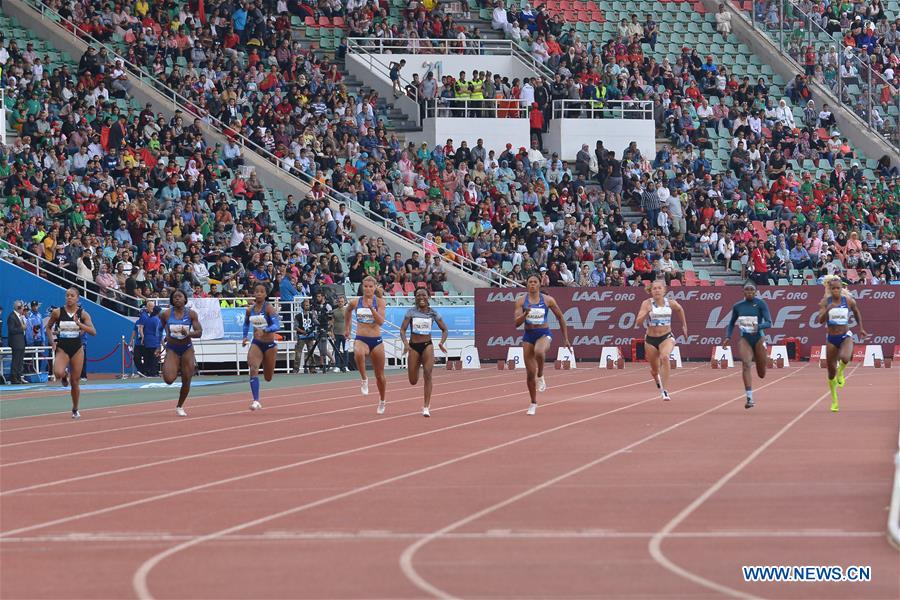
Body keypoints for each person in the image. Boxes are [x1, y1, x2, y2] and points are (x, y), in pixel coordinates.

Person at [513, 275, 572, 415]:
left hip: (544, 334)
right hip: (528, 336)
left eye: (535, 282)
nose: (532, 284)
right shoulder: (521, 301)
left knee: (539, 352)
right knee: (529, 375)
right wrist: (525, 314)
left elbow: (561, 318)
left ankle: (541, 374)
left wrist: (566, 339)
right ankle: (533, 402)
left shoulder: (548, 300)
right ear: (527, 285)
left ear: (540, 284)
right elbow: (516, 323)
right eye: (530, 282)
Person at [817, 275, 868, 412]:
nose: (835, 291)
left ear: (841, 289)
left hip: (845, 335)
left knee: (846, 357)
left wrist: (861, 328)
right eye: (833, 288)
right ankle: (834, 400)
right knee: (830, 372)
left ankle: (841, 372)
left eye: (838, 288)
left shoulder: (848, 301)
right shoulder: (825, 302)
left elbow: (857, 312)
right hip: (832, 338)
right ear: (829, 289)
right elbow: (820, 320)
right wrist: (828, 310)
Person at [46, 288, 96, 418]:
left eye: (72, 295)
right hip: (62, 347)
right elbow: (48, 327)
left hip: (77, 349)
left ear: (77, 298)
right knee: (57, 372)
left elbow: (93, 331)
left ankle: (75, 408)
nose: (69, 298)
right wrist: (52, 342)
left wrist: (79, 323)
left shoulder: (83, 314)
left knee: (74, 382)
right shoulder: (57, 312)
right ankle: (64, 375)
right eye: (67, 295)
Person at [636, 280, 688, 401]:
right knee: (655, 370)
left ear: (664, 290)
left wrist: (684, 326)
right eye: (654, 288)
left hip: (666, 337)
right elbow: (638, 322)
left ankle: (665, 390)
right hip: (650, 340)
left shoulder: (670, 303)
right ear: (651, 291)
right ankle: (656, 377)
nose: (657, 290)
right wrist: (646, 312)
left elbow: (680, 310)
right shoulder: (646, 303)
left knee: (665, 357)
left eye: (660, 288)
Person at [400, 288, 449, 417]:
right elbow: (402, 330)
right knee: (413, 380)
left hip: (427, 345)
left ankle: (426, 406)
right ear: (415, 298)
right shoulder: (410, 312)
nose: (421, 297)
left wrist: (441, 343)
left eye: (423, 295)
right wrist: (405, 343)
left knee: (428, 373)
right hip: (414, 347)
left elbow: (444, 329)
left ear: (428, 297)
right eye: (418, 295)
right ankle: (416, 366)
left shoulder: (433, 313)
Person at [723, 282, 772, 409]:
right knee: (745, 364)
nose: (749, 292)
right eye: (747, 290)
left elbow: (769, 323)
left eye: (752, 290)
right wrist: (727, 337)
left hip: (758, 338)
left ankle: (759, 356)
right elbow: (731, 323)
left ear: (756, 291)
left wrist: (758, 327)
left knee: (761, 374)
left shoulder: (761, 304)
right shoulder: (738, 306)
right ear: (743, 291)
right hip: (745, 338)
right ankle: (749, 398)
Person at [345, 276, 387, 413]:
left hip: (376, 340)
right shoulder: (355, 302)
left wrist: (372, 309)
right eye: (366, 286)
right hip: (361, 337)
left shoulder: (380, 302)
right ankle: (364, 379)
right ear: (362, 287)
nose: (368, 289)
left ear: (374, 287)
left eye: (370, 286)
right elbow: (347, 311)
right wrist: (347, 328)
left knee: (380, 376)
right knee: (357, 352)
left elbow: (381, 322)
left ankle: (382, 400)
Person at [159, 289, 202, 416]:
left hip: (187, 348)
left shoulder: (191, 314)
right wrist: (160, 343)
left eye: (180, 296)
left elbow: (199, 332)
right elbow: (159, 329)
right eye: (175, 297)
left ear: (185, 299)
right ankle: (175, 367)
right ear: (172, 300)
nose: (177, 298)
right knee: (168, 379)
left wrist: (189, 333)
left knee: (186, 379)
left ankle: (180, 406)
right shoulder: (166, 314)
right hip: (172, 348)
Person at [243, 282, 282, 411]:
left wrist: (265, 330)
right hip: (257, 343)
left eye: (261, 291)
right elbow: (245, 324)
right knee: (253, 367)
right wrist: (244, 337)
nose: (258, 293)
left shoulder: (269, 308)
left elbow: (277, 326)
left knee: (268, 377)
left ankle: (269, 366)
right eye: (256, 291)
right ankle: (256, 400)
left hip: (270, 345)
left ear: (265, 294)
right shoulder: (250, 310)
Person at [6, 300, 27, 384]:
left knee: (20, 361)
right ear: (19, 308)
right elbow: (11, 330)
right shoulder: (12, 316)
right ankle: (14, 378)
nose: (23, 309)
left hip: (21, 341)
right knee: (16, 360)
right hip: (15, 342)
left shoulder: (20, 316)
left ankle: (18, 376)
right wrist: (21, 328)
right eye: (22, 308)